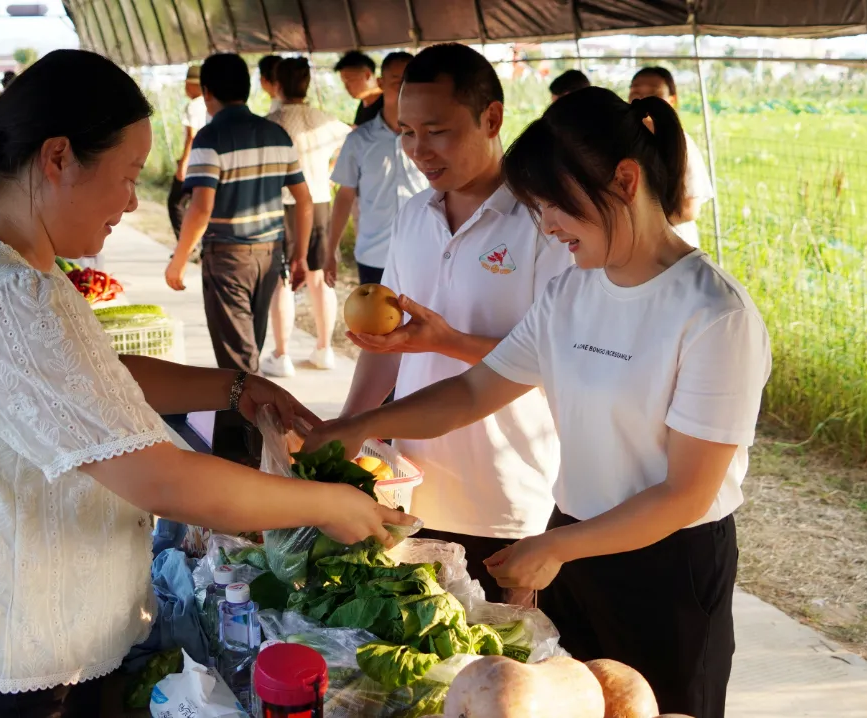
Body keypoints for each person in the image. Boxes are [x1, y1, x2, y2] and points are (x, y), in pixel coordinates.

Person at [0, 50, 410, 718]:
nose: (134, 199)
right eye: (128, 175)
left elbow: (95, 377)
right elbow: (162, 480)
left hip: (5, 660)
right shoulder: (9, 291)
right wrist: (325, 503)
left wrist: (234, 385)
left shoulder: (0, 264)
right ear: (58, 159)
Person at [306, 86, 771, 718]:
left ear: (626, 181)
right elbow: (475, 389)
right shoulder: (570, 294)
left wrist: (555, 550)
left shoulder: (713, 315)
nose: (548, 227)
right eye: (538, 209)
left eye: (556, 207)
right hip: (573, 543)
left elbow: (685, 493)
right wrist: (363, 425)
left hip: (667, 568)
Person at [327, 44, 570, 604]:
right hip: (412, 485)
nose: (417, 150)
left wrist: (447, 342)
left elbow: (555, 357)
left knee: (502, 671)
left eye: (436, 131)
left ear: (492, 118)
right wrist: (348, 430)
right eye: (407, 131)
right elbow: (387, 347)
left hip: (507, 494)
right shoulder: (415, 216)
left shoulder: (543, 220)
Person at [165, 53, 313, 465]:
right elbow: (303, 199)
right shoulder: (277, 135)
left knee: (237, 368)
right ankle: (260, 452)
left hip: (228, 258)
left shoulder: (209, 139)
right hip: (270, 255)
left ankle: (252, 460)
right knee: (249, 355)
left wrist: (179, 260)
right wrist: (299, 254)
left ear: (208, 93)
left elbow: (199, 208)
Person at [263, 57, 351, 377]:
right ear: (307, 84)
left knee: (282, 281)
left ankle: (282, 355)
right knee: (318, 278)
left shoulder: (270, 123)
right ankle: (324, 350)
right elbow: (349, 141)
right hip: (321, 202)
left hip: (282, 205)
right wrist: (328, 172)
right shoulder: (325, 119)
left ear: (277, 85)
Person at [326, 51, 425, 288]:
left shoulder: (432, 137)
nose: (404, 88)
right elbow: (344, 195)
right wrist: (331, 249)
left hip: (425, 254)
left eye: (410, 81)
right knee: (374, 324)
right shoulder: (359, 140)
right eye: (396, 81)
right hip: (374, 255)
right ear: (380, 83)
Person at [629, 66, 714, 248]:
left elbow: (688, 209)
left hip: (670, 246)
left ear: (672, 100)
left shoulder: (680, 143)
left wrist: (634, 229)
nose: (643, 100)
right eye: (636, 94)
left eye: (653, 95)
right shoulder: (621, 139)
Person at [167, 65, 208, 239]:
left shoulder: (193, 106)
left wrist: (183, 164)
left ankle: (185, 243)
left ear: (193, 85)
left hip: (193, 164)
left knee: (175, 203)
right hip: (207, 163)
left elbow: (191, 136)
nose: (185, 88)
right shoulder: (209, 104)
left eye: (186, 84)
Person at [334, 50, 382, 127]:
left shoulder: (388, 105)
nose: (346, 87)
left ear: (367, 75)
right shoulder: (364, 102)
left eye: (350, 81)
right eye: (344, 83)